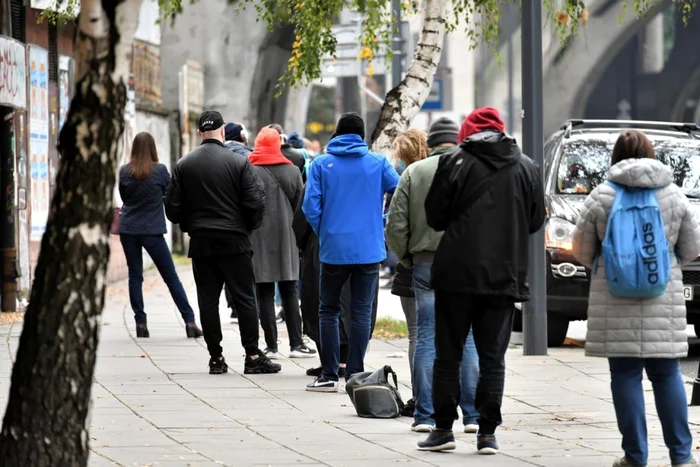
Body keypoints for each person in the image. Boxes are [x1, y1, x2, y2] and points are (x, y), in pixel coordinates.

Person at [418, 107, 546, 454]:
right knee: (493, 357)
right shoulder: (527, 166)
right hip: (504, 275)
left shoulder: (455, 161)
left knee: (449, 355)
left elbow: (436, 216)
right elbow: (535, 221)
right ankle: (487, 433)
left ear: (468, 132)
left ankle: (442, 430)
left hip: (456, 273)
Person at [572, 130, 700, 467]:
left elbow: (581, 250)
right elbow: (692, 249)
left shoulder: (602, 196)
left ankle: (635, 456)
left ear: (616, 157)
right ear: (651, 154)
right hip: (663, 298)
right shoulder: (674, 196)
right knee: (667, 374)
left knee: (625, 376)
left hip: (615, 300)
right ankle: (682, 457)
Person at [165, 110, 281, 376]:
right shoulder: (238, 162)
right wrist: (247, 226)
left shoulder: (184, 164)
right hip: (234, 240)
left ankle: (216, 357)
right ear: (221, 131)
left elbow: (172, 207)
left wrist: (189, 225)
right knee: (244, 299)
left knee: (208, 300)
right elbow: (255, 201)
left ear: (198, 134)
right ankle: (252, 355)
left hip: (201, 241)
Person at [387, 125, 480, 434]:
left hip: (426, 261)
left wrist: (408, 257)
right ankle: (472, 415)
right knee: (465, 337)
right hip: (465, 262)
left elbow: (395, 225)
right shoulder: (475, 170)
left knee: (426, 337)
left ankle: (425, 415)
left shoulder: (414, 173)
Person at [302, 112, 400, 392]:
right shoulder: (378, 162)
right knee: (360, 311)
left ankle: (329, 374)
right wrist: (381, 221)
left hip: (333, 249)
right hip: (368, 249)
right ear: (361, 136)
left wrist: (326, 232)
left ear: (338, 133)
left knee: (328, 310)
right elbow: (401, 190)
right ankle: (355, 373)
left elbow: (310, 207)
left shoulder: (321, 164)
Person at [118, 132, 203, 340]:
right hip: (153, 231)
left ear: (134, 148)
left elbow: (124, 197)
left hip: (128, 228)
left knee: (135, 276)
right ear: (153, 148)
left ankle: (141, 323)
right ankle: (190, 321)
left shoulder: (124, 171)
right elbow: (172, 194)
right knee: (171, 277)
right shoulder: (160, 171)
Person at [248, 127, 316, 359]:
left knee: (264, 291)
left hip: (258, 237)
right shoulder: (292, 170)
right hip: (288, 237)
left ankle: (271, 346)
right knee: (289, 290)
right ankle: (296, 344)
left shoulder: (248, 170)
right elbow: (301, 206)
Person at [222, 122, 252, 322]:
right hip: (243, 221)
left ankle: (232, 305)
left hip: (222, 219)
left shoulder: (215, 156)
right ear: (242, 136)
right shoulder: (250, 157)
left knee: (224, 267)